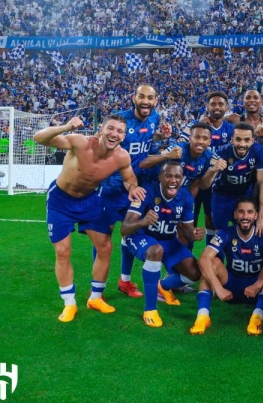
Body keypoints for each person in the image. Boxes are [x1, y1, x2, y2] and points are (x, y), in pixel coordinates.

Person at [33, 115, 146, 322]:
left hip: (90, 201)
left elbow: (129, 177)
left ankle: (95, 298)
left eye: (119, 131)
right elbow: (38, 138)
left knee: (105, 247)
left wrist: (133, 187)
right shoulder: (79, 142)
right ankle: (69, 303)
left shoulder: (122, 157)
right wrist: (66, 126)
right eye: (110, 129)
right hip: (61, 200)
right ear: (101, 130)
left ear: (124, 135)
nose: (114, 134)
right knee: (63, 251)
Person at [97, 84, 168, 299]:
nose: (146, 101)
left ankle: (125, 281)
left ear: (156, 100)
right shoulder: (121, 122)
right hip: (111, 188)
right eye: (142, 96)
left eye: (150, 98)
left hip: (136, 187)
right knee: (103, 240)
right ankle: (97, 289)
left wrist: (160, 138)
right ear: (134, 98)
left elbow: (146, 143)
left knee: (131, 233)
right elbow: (101, 143)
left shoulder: (154, 118)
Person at [120, 162, 204, 327]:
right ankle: (150, 309)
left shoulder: (186, 198)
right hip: (140, 235)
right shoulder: (146, 192)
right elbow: (124, 228)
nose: (173, 180)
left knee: (194, 273)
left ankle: (162, 285)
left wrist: (194, 235)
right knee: (155, 251)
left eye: (177, 176)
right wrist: (143, 221)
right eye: (169, 176)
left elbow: (187, 232)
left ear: (182, 179)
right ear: (160, 177)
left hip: (167, 239)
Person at [190, 197, 263, 335]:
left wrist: (258, 284)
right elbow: (203, 259)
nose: (245, 216)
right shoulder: (225, 233)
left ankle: (257, 318)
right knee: (211, 263)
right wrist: (219, 288)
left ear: (256, 216)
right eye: (241, 212)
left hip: (256, 288)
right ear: (235, 214)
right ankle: (202, 317)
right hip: (230, 286)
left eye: (250, 212)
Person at [185, 91, 235, 244]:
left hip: (215, 184)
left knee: (210, 220)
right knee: (188, 221)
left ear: (226, 107)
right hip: (192, 181)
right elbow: (182, 141)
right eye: (213, 104)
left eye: (221, 104)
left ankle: (210, 257)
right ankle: (186, 258)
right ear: (207, 106)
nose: (217, 107)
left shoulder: (231, 129)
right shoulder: (197, 127)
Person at [204, 122, 263, 234]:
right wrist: (213, 169)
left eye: (247, 140)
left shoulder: (260, 151)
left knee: (245, 232)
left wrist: (261, 217)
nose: (242, 144)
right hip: (221, 197)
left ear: (253, 140)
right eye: (238, 139)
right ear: (232, 139)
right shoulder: (221, 152)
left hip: (244, 197)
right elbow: (204, 185)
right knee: (220, 233)